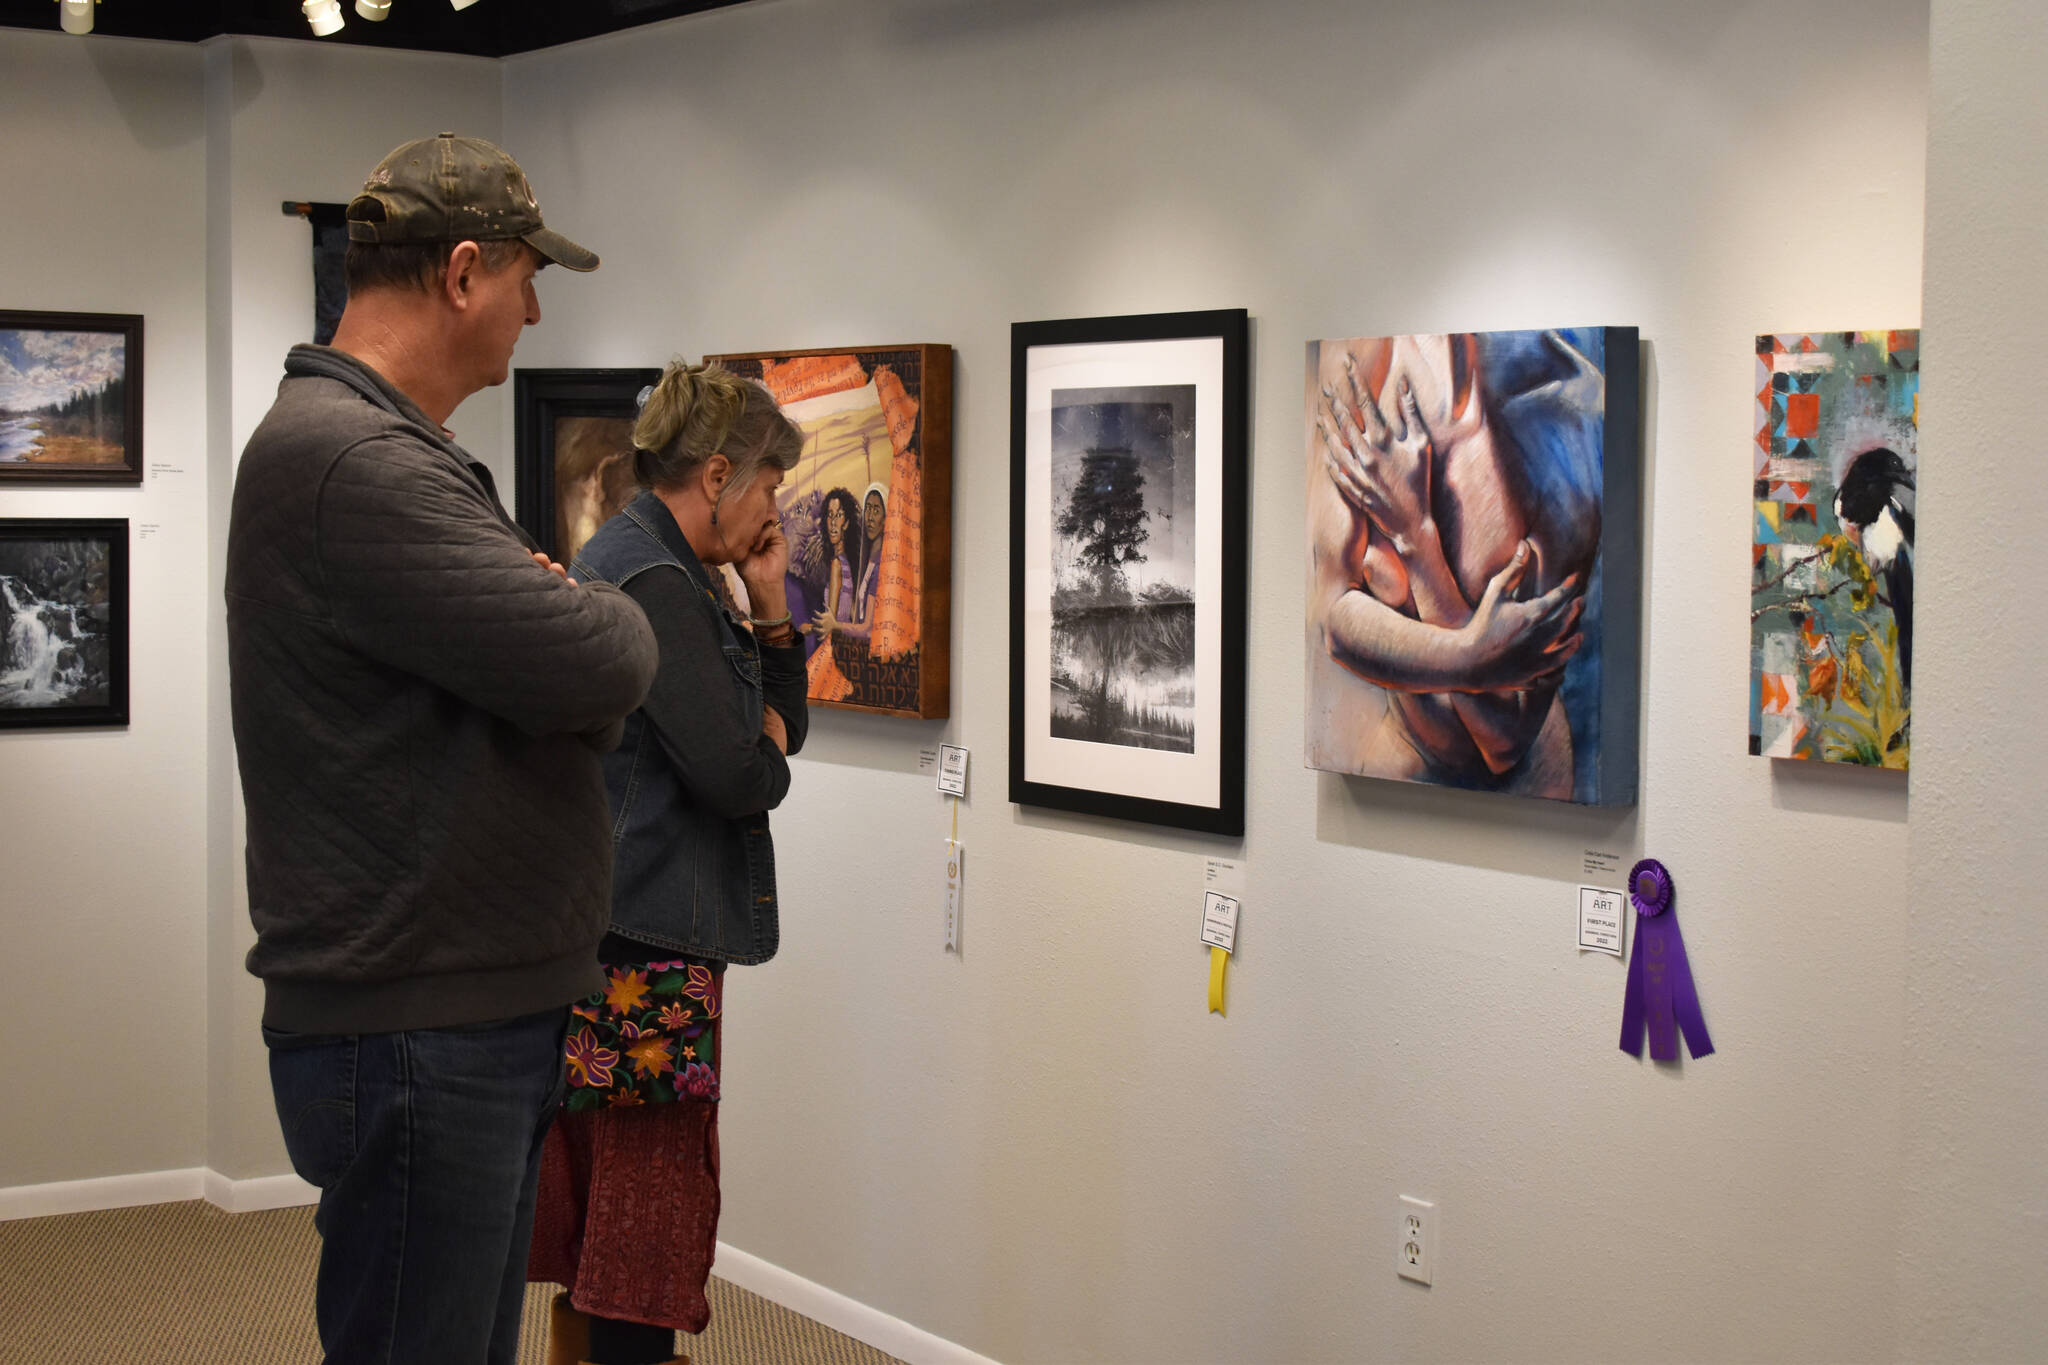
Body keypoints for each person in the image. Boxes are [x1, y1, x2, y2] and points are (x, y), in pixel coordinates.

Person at [224, 133, 659, 1364]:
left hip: (448, 1015)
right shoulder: (354, 459)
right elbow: (607, 659)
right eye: (526, 279)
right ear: (462, 271)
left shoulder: (381, 450)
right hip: (417, 1027)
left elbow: (557, 659)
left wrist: (566, 632)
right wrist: (596, 622)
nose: (530, 310)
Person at [528, 361, 808, 1365]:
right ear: (722, 471)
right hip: (645, 949)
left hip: (623, 932)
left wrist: (771, 609)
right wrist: (763, 742)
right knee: (641, 1231)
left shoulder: (652, 564)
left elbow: (782, 734)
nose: (776, 510)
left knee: (612, 1221)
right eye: (773, 485)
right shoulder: (653, 583)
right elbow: (741, 772)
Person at [1309, 330, 1596, 797]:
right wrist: (1475, 656)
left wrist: (1416, 538)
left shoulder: (1569, 416)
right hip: (1392, 775)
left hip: (1530, 802)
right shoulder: (1357, 364)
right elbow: (1334, 618)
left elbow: (1504, 739)